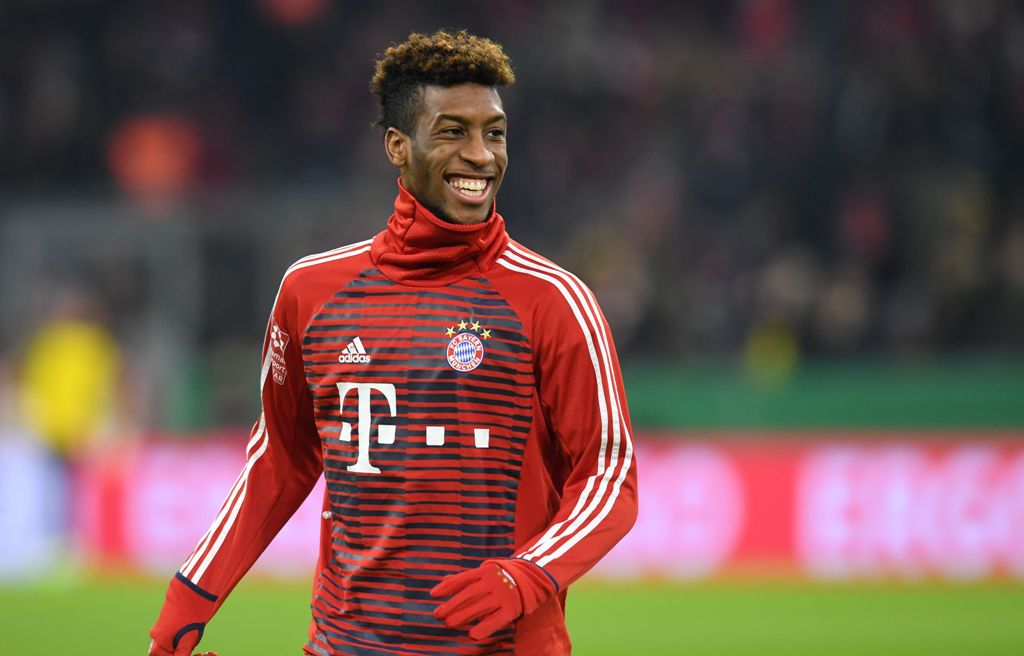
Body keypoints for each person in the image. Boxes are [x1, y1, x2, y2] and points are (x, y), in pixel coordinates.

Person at [149, 29, 638, 656]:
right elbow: (280, 457)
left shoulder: (554, 300)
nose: (482, 155)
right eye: (453, 131)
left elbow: (609, 472)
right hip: (343, 643)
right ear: (397, 147)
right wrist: (191, 597)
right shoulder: (310, 291)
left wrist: (529, 573)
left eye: (495, 132)